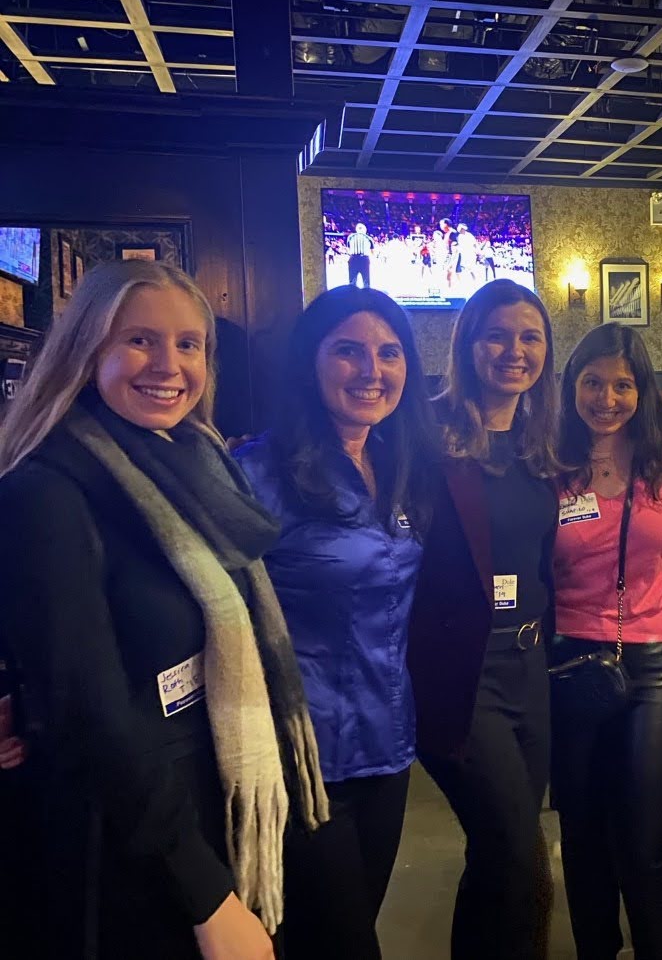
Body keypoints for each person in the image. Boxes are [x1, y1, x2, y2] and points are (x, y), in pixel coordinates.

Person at [0, 260, 328, 959]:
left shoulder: (194, 462)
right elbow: (89, 715)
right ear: (87, 351)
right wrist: (205, 895)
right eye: (140, 340)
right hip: (121, 840)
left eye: (189, 345)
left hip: (200, 795)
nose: (168, 365)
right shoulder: (48, 490)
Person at [233, 286, 436, 959]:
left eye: (388, 352)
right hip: (303, 756)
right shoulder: (257, 472)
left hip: (388, 745)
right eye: (348, 351)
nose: (371, 370)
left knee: (348, 933)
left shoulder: (399, 465)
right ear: (311, 362)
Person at [408, 279, 561, 959]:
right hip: (461, 670)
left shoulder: (542, 443)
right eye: (497, 335)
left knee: (503, 851)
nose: (514, 351)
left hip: (531, 670)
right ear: (468, 345)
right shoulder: (424, 433)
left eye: (530, 337)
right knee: (518, 850)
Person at [550, 323, 662, 960]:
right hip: (567, 657)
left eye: (623, 385)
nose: (606, 398)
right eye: (592, 382)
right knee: (582, 838)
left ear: (644, 391)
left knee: (641, 843)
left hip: (657, 660)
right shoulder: (546, 462)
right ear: (571, 386)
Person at [347, 222, 373, 288]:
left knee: (352, 281)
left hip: (353, 258)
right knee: (366, 280)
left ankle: (352, 295)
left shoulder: (350, 237)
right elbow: (372, 250)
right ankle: (367, 296)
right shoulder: (369, 238)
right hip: (364, 259)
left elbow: (348, 248)